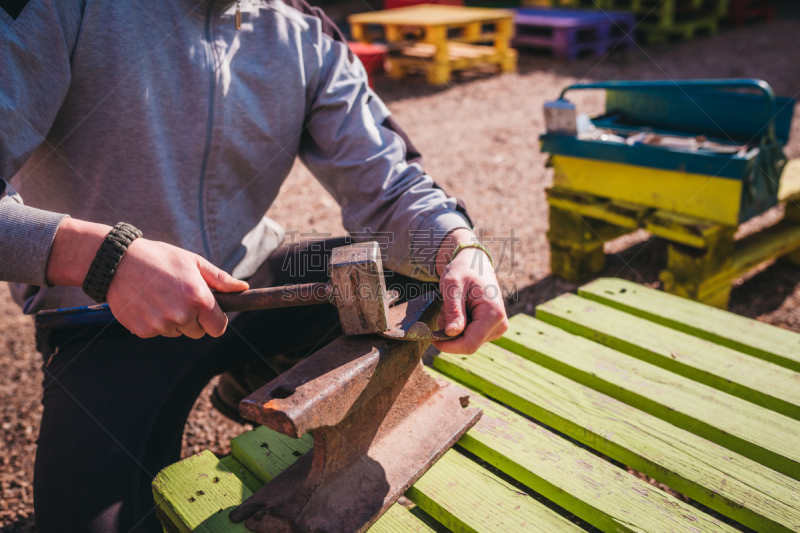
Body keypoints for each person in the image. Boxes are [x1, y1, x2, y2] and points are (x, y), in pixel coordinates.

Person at [0, 0, 509, 531]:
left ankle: (256, 369)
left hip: (248, 285)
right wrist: (106, 257)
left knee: (417, 275)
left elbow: (391, 184)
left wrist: (461, 249)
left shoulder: (304, 32)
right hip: (105, 313)